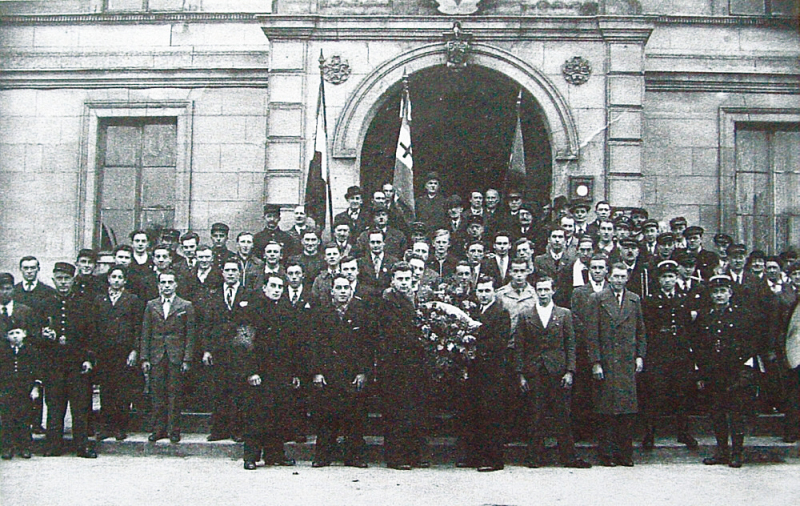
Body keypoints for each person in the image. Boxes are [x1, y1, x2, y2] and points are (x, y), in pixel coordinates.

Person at [516, 276, 591, 469]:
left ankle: (569, 457)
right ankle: (534, 457)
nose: (542, 293)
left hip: (558, 371)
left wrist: (570, 371)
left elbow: (571, 345)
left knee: (562, 415)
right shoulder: (526, 315)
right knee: (536, 414)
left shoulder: (564, 314)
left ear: (553, 291)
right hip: (535, 371)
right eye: (539, 290)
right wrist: (521, 375)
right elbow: (520, 347)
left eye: (546, 289)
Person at [585, 262, 647, 467]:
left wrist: (640, 356)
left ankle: (625, 455)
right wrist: (596, 362)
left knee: (627, 411)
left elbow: (640, 331)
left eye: (623, 276)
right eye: (615, 276)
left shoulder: (634, 299)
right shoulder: (597, 299)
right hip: (607, 361)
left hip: (627, 362)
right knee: (607, 411)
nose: (619, 280)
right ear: (609, 277)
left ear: (627, 278)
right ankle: (607, 455)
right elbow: (592, 334)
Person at [309, 275, 373, 468]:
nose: (343, 291)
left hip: (352, 373)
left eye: (346, 287)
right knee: (326, 417)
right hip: (329, 373)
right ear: (332, 291)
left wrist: (363, 372)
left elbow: (367, 346)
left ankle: (354, 456)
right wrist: (317, 372)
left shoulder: (361, 313)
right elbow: (314, 345)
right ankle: (323, 456)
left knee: (354, 417)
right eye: (339, 288)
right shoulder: (321, 313)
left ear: (351, 291)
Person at [694, 275, 759, 468]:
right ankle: (722, 451)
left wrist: (744, 371)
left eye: (723, 291)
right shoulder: (705, 316)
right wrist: (701, 372)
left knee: (736, 414)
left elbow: (751, 344)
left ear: (730, 293)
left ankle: (737, 453)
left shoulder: (742, 315)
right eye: (715, 291)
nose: (719, 295)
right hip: (713, 372)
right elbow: (699, 346)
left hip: (735, 372)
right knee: (717, 413)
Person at [639, 260, 698, 451]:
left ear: (676, 278)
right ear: (658, 280)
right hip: (658, 353)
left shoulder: (684, 299)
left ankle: (684, 431)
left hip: (680, 353)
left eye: (671, 276)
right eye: (664, 277)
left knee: (682, 393)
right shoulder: (650, 300)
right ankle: (649, 433)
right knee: (654, 393)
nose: (667, 280)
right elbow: (646, 329)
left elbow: (689, 328)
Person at [40, 262, 97, 458]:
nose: (63, 283)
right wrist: (44, 335)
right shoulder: (45, 303)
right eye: (59, 279)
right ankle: (53, 445)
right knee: (55, 405)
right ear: (53, 280)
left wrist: (89, 359)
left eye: (67, 279)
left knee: (80, 407)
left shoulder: (84, 303)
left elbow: (92, 334)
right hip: (54, 363)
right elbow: (35, 334)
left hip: (77, 364)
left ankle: (81, 446)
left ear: (73, 280)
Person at [242, 275, 298, 469]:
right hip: (260, 372)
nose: (276, 289)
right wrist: (251, 371)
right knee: (257, 416)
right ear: (264, 287)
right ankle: (251, 456)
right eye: (273, 286)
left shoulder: (286, 310)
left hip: (281, 372)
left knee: (278, 414)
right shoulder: (252, 310)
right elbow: (246, 343)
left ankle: (275, 455)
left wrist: (293, 373)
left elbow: (292, 344)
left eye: (280, 287)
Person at [378, 262, 430, 470]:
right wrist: (422, 339)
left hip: (414, 364)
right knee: (397, 411)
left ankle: (414, 454)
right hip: (395, 364)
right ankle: (397, 457)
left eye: (407, 279)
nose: (404, 283)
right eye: (400, 279)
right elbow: (396, 332)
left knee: (414, 410)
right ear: (392, 280)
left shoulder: (414, 298)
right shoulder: (388, 301)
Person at [459, 275, 512, 472]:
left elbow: (499, 343)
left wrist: (474, 345)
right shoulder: (474, 312)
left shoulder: (501, 313)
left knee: (491, 415)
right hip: (475, 371)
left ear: (494, 292)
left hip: (492, 372)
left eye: (487, 291)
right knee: (474, 414)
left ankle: (494, 459)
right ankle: (475, 456)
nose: (483, 295)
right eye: (480, 291)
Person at [202, 261, 259, 442]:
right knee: (219, 391)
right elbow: (207, 324)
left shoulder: (247, 294)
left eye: (234, 270)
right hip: (219, 350)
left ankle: (237, 429)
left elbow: (251, 323)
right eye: (227, 270)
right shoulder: (214, 295)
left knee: (238, 391)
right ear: (222, 273)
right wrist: (207, 350)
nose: (231, 273)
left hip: (239, 351)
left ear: (239, 273)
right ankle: (219, 429)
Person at [140, 270, 196, 444]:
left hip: (176, 356)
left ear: (176, 285)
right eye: (163, 283)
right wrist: (145, 358)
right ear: (158, 285)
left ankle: (174, 429)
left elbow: (190, 334)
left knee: (174, 394)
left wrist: (187, 359)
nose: (166, 286)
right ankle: (158, 429)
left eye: (170, 282)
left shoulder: (185, 305)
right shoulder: (151, 305)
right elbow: (145, 332)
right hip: (156, 355)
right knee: (157, 393)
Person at [92, 266, 143, 442]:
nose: (116, 280)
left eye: (120, 277)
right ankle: (106, 427)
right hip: (105, 352)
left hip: (124, 351)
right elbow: (95, 326)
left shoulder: (132, 299)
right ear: (108, 279)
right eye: (113, 277)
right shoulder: (99, 300)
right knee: (106, 390)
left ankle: (120, 427)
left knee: (123, 390)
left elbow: (138, 327)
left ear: (125, 280)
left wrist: (135, 350)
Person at [0, 325, 40, 460]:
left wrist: (35, 388)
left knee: (24, 418)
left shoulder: (31, 351)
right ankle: (7, 447)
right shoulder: (3, 351)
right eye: (11, 333)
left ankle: (25, 447)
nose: (15, 336)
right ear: (7, 337)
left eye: (18, 333)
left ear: (24, 334)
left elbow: (37, 370)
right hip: (7, 389)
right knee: (7, 419)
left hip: (25, 390)